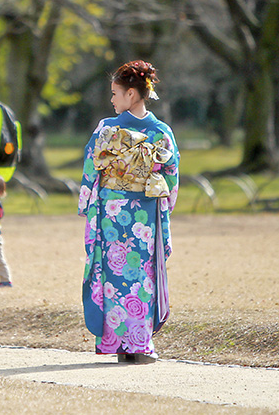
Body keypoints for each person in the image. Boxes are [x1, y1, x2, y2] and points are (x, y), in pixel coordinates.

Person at [77, 60, 180, 364]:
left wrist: (88, 202)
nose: (112, 99)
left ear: (132, 94)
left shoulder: (107, 129)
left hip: (111, 211)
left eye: (115, 93)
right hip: (144, 216)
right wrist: (164, 203)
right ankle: (138, 343)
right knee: (140, 275)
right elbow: (170, 176)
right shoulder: (161, 132)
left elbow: (89, 168)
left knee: (114, 275)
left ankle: (118, 344)